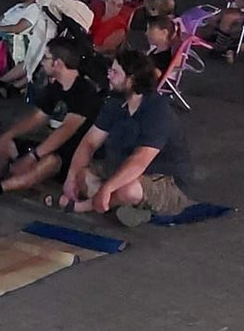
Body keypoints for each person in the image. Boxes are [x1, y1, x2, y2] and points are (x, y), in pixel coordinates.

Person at [61, 49, 194, 225]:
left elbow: (140, 160)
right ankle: (124, 207)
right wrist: (71, 177)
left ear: (131, 80)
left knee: (128, 189)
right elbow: (89, 142)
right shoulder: (116, 102)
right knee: (82, 174)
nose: (109, 75)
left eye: (115, 72)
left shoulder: (157, 110)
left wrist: (107, 188)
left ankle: (87, 206)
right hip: (121, 166)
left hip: (164, 178)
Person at [0, 37, 104, 200]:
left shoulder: (84, 92)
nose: (42, 62)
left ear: (57, 63)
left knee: (49, 162)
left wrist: (33, 156)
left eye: (46, 58)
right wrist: (8, 135)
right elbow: (38, 117)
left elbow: (67, 130)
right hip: (49, 146)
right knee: (3, 143)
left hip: (73, 157)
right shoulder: (57, 85)